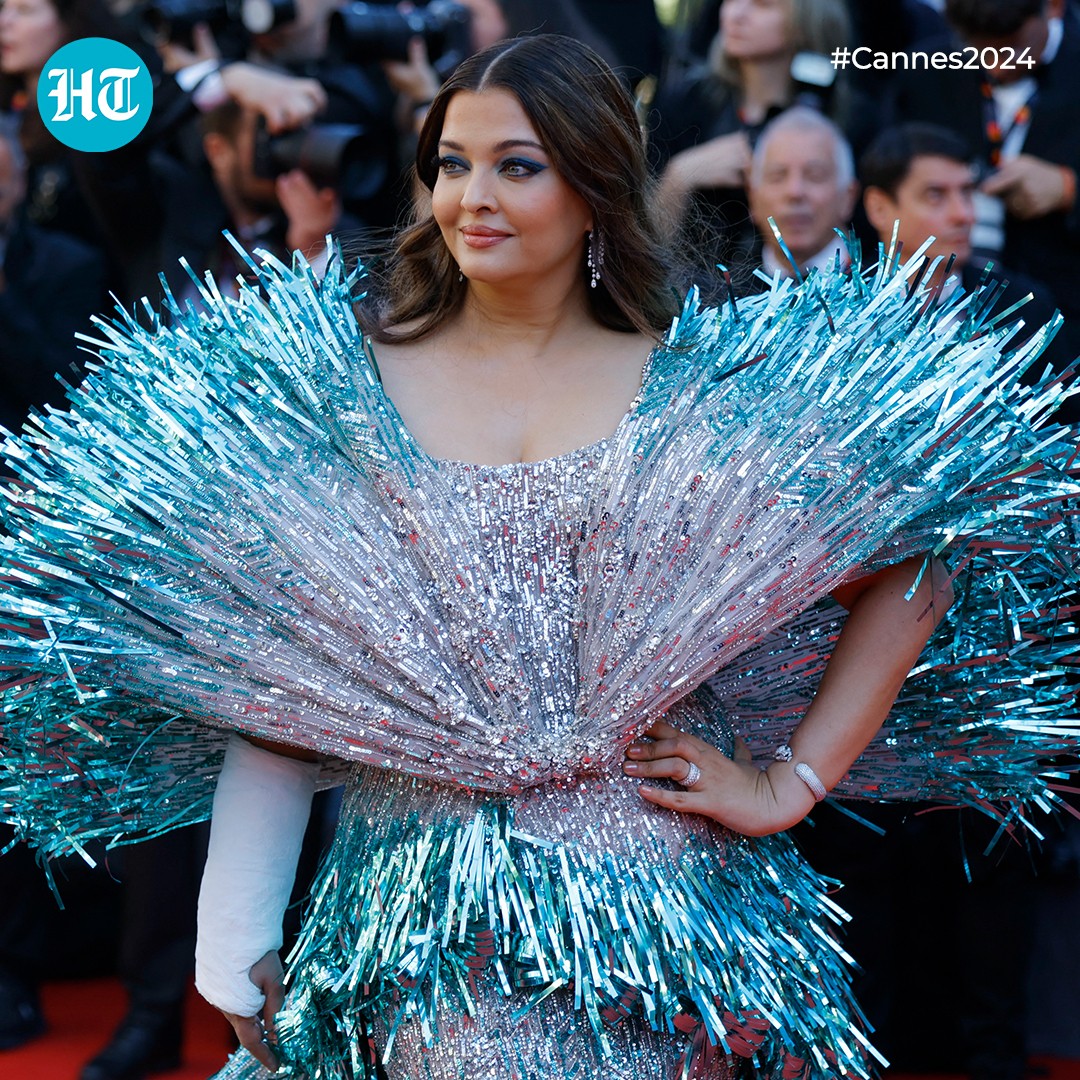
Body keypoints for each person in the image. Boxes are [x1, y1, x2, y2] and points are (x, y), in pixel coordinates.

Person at [0, 32, 1077, 1080]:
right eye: (452, 164)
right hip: (415, 948)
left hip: (669, 941)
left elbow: (928, 555)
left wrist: (789, 785)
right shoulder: (343, 390)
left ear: (596, 186)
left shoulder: (702, 389)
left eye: (518, 166)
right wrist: (231, 929)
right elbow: (285, 679)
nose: (473, 196)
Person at [650, 0, 854, 280]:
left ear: (806, 20)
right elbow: (639, 247)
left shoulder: (847, 116)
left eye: (762, 5)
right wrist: (680, 176)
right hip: (694, 297)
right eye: (731, 0)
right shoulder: (684, 104)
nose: (736, 13)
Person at [743, 106, 858, 287]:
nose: (795, 192)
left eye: (815, 176)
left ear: (848, 197)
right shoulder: (719, 298)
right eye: (777, 176)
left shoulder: (886, 297)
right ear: (752, 196)